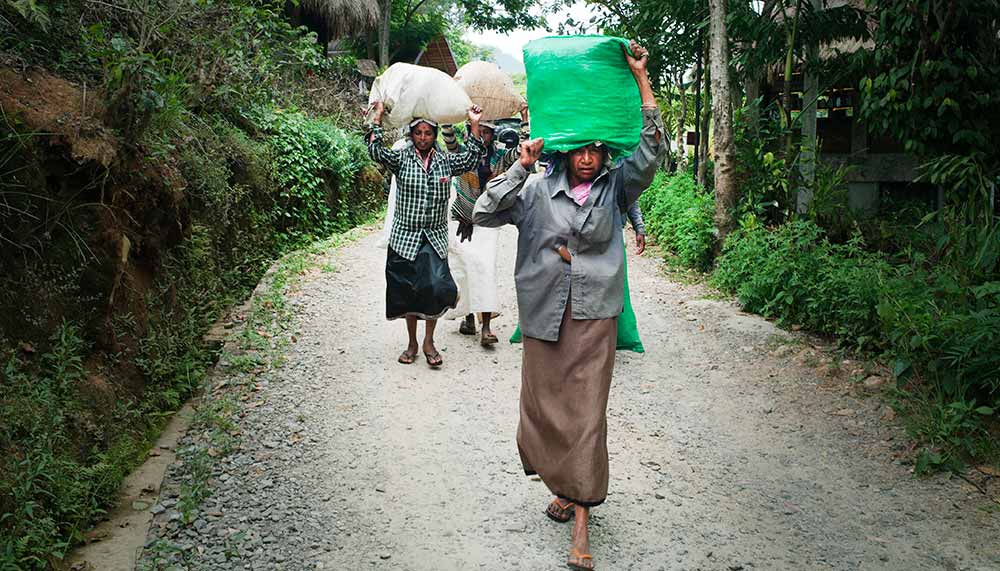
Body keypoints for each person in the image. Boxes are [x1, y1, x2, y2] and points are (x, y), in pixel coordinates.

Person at [473, 41, 664, 570]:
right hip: (543, 316)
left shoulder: (616, 190)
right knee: (544, 413)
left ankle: (582, 518)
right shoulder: (534, 190)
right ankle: (562, 486)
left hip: (594, 316)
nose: (587, 157)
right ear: (565, 150)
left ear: (605, 154)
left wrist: (642, 81)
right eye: (579, 149)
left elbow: (650, 153)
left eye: (596, 150)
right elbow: (485, 213)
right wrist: (518, 165)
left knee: (585, 417)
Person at [367, 101, 485, 368]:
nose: (423, 138)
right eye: (418, 133)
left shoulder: (445, 161)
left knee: (434, 289)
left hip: (434, 236)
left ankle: (429, 341)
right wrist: (376, 117)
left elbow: (471, 158)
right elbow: (375, 151)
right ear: (412, 134)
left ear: (434, 135)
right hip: (405, 237)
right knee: (408, 291)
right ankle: (411, 343)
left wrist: (474, 124)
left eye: (428, 133)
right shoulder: (400, 159)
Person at [442, 108, 529, 346]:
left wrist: (524, 119)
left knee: (486, 268)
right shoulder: (461, 153)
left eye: (487, 131)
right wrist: (450, 106)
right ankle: (469, 319)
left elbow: (524, 150)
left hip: (489, 220)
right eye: (479, 130)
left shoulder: (500, 156)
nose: (483, 135)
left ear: (493, 134)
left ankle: (487, 327)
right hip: (461, 219)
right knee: (464, 268)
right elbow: (448, 134)